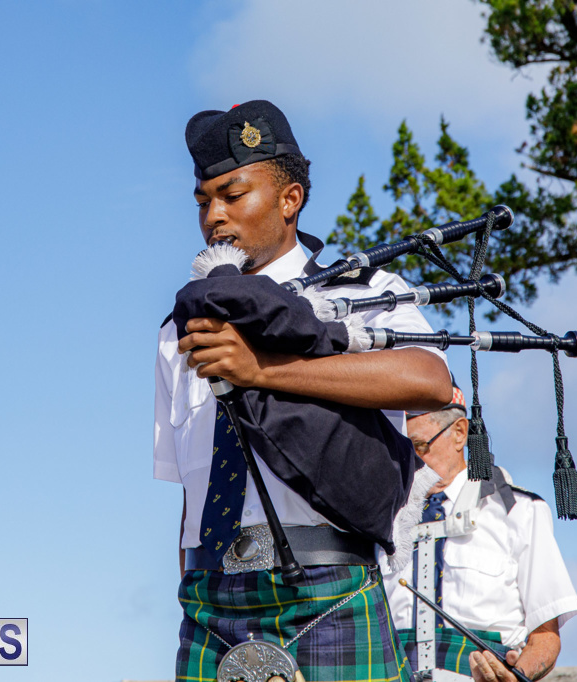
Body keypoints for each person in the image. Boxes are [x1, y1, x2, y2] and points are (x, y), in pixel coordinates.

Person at [153, 99, 453, 681]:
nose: (215, 215)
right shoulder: (177, 329)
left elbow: (428, 379)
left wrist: (261, 371)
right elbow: (189, 496)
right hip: (209, 595)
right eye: (203, 200)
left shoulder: (365, 292)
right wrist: (187, 584)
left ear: (290, 199)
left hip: (327, 581)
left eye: (234, 195)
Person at [381, 387, 577, 681]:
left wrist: (516, 675)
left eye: (420, 446)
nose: (411, 461)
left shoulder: (520, 512)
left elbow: (545, 637)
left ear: (460, 433)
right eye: (399, 450)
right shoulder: (380, 521)